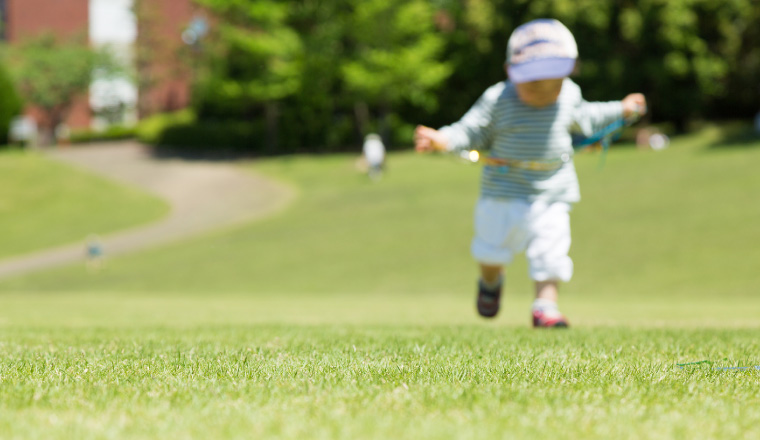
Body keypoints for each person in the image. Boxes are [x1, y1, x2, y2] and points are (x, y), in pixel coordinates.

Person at [414, 19, 647, 328]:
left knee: (551, 253)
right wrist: (442, 139)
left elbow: (589, 115)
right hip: (502, 191)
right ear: (511, 72)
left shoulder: (568, 96)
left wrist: (622, 109)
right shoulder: (498, 99)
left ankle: (545, 307)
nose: (541, 91)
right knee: (491, 252)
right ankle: (491, 283)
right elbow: (468, 129)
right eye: (531, 83)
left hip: (552, 191)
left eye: (551, 83)